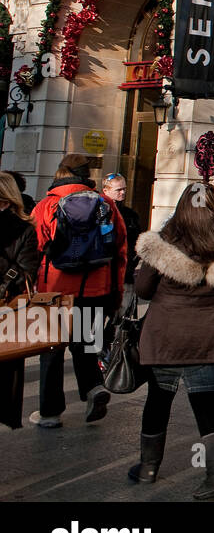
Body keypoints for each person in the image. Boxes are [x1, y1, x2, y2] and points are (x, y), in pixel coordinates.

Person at [131, 184, 214, 499]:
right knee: (205, 404)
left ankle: (148, 468)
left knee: (157, 401)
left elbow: (144, 289)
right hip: (208, 337)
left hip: (165, 337)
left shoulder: (164, 242)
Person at [30, 154, 128, 429]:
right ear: (87, 176)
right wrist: (116, 294)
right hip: (95, 288)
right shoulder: (106, 204)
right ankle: (94, 388)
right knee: (86, 345)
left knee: (51, 351)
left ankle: (50, 413)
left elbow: (34, 247)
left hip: (55, 291)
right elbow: (119, 250)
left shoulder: (47, 205)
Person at [0, 172, 39, 429]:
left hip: (7, 305)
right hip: (8, 308)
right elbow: (28, 270)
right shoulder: (25, 228)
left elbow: (27, 271)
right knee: (7, 368)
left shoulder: (23, 229)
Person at [102, 173, 143, 287]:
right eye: (118, 190)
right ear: (106, 191)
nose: (123, 192)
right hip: (102, 273)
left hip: (126, 273)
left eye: (124, 189)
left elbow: (137, 242)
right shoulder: (98, 213)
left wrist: (132, 262)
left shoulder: (131, 215)